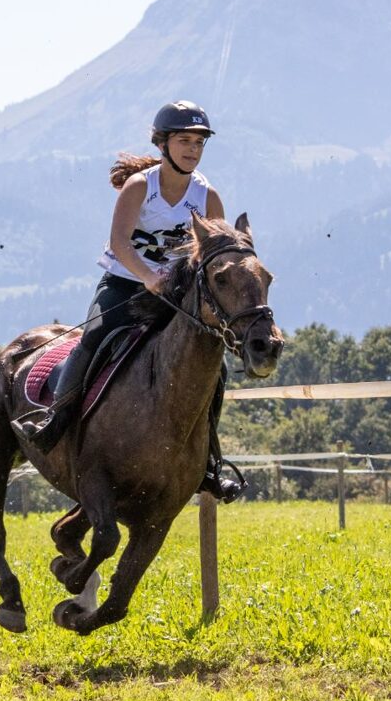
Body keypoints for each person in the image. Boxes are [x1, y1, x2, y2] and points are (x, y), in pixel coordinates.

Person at [14, 101, 240, 502]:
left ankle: (208, 462)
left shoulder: (208, 197)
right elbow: (120, 242)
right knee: (93, 340)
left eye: (198, 143)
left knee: (215, 367)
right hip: (123, 284)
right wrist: (148, 277)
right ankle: (54, 422)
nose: (192, 149)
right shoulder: (140, 187)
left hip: (173, 297)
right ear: (163, 144)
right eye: (184, 141)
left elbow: (214, 257)